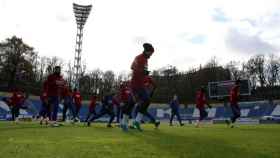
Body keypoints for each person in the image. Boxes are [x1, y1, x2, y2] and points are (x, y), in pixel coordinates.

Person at [130, 43, 160, 131]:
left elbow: (141, 71)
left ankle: (135, 122)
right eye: (151, 53)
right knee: (139, 103)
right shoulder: (139, 58)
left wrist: (145, 74)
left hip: (140, 84)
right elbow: (132, 67)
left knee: (145, 102)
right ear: (147, 51)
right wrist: (142, 72)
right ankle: (132, 122)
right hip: (136, 84)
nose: (151, 55)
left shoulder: (146, 60)